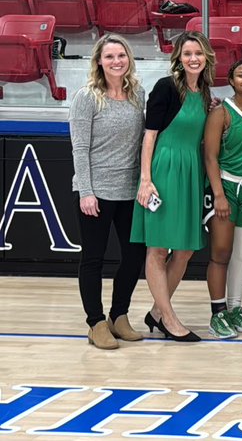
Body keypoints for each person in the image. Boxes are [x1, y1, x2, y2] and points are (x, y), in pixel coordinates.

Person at [132, 31, 215, 343]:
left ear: (206, 56)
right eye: (187, 53)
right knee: (157, 248)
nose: (193, 58)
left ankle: (156, 311)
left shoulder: (205, 92)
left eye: (198, 53)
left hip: (191, 172)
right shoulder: (166, 88)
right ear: (178, 58)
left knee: (185, 250)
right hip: (165, 170)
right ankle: (168, 317)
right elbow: (150, 136)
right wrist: (146, 179)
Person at [70, 35, 146, 350]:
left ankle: (119, 315)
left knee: (134, 255)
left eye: (121, 55)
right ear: (99, 61)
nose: (117, 61)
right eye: (110, 56)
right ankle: (95, 322)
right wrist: (86, 191)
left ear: (129, 59)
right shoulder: (87, 97)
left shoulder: (138, 94)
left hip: (130, 190)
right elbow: (79, 148)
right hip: (97, 191)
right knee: (93, 258)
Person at [202, 60, 242, 340]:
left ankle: (235, 307)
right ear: (230, 79)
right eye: (241, 74)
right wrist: (218, 195)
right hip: (226, 188)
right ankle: (218, 314)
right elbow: (210, 156)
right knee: (221, 254)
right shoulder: (220, 112)